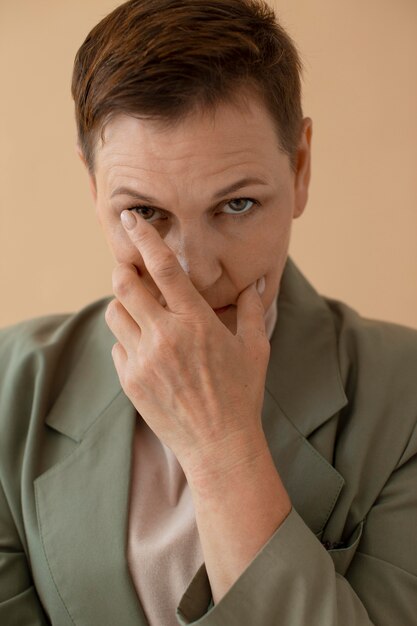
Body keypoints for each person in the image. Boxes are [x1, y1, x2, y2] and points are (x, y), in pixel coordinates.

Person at [0, 0, 416, 624]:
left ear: (300, 168)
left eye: (238, 205)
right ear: (93, 189)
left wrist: (223, 448)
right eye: (142, 213)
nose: (194, 274)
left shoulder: (405, 395)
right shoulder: (9, 386)